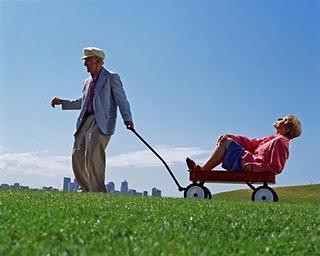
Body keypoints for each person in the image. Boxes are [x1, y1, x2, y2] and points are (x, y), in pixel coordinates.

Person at [51, 47, 134, 192]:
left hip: (101, 122)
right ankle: (86, 188)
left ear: (96, 60)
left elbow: (122, 100)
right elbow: (82, 102)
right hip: (85, 120)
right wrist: (62, 102)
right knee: (77, 154)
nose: (84, 64)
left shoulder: (111, 77)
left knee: (93, 152)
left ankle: (98, 191)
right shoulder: (87, 82)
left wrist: (128, 118)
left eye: (87, 60)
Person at [186, 114, 301, 174]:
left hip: (246, 164)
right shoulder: (273, 138)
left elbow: (276, 167)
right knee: (226, 140)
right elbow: (251, 143)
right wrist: (230, 135)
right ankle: (202, 170)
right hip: (245, 160)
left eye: (282, 119)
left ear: (286, 128)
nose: (279, 118)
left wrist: (254, 167)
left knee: (226, 142)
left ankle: (202, 171)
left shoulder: (281, 142)